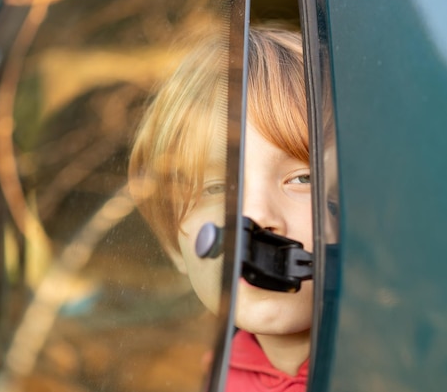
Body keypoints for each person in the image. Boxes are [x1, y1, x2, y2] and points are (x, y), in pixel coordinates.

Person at [128, 25, 312, 392]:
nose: (255, 216)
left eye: (303, 178)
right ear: (172, 241)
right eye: (216, 188)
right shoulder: (214, 379)